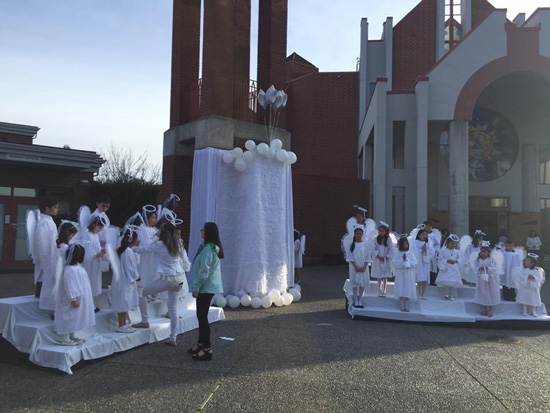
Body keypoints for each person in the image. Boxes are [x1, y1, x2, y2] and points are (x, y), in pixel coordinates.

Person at [132, 221, 187, 347]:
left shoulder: (159, 244)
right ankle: (173, 337)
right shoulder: (178, 243)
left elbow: (144, 249)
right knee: (173, 309)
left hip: (166, 279)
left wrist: (130, 248)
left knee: (141, 292)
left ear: (163, 233)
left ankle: (145, 320)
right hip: (179, 279)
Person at [188, 222, 224, 361]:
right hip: (207, 287)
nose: (201, 231)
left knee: (202, 318)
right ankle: (201, 344)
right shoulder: (208, 248)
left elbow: (204, 272)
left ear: (207, 232)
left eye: (203, 229)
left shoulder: (209, 250)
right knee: (200, 316)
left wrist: (196, 288)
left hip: (206, 287)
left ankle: (207, 349)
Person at [54, 244, 95, 346]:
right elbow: (70, 286)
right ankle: (65, 338)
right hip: (72, 298)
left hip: (79, 297)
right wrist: (73, 299)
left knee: (75, 317)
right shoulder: (69, 270)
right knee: (69, 316)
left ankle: (72, 335)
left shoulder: (77, 268)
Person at [39, 221, 78, 317]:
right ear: (67, 234)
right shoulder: (64, 247)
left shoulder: (57, 244)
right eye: (72, 236)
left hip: (54, 269)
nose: (72, 238)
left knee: (54, 290)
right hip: (60, 270)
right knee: (59, 291)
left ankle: (55, 310)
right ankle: (57, 311)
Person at [111, 227, 141, 333]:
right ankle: (121, 325)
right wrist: (136, 276)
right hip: (126, 280)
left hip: (123, 279)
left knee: (123, 302)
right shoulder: (127, 251)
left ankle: (123, 324)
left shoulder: (123, 250)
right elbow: (130, 267)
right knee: (123, 302)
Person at [33, 198, 59, 298]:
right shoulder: (44, 222)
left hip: (50, 252)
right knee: (43, 274)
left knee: (45, 275)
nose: (57, 210)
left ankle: (43, 294)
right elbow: (42, 240)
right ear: (47, 209)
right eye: (55, 208)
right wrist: (46, 255)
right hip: (46, 253)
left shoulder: (48, 220)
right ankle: (40, 294)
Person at [81, 215, 107, 308]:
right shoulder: (87, 235)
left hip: (95, 264)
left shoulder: (95, 235)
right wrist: (95, 254)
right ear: (93, 225)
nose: (100, 229)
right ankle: (87, 305)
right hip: (89, 265)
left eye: (101, 228)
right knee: (89, 283)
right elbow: (85, 251)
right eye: (99, 227)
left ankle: (92, 304)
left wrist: (101, 250)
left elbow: (96, 248)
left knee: (94, 283)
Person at [471, 241, 500, 317]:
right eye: (482, 251)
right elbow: (475, 268)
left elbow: (494, 269)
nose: (483, 253)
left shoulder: (491, 260)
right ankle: (483, 308)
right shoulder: (478, 260)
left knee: (489, 294)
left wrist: (488, 268)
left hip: (489, 280)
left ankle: (490, 309)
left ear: (488, 253)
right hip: (481, 280)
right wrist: (479, 269)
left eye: (485, 252)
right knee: (483, 293)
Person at [392, 236, 418, 312]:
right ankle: (401, 305)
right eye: (403, 244)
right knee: (401, 288)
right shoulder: (397, 254)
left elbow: (414, 263)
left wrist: (407, 260)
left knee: (408, 288)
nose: (405, 245)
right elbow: (395, 263)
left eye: (406, 243)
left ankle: (406, 305)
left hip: (408, 274)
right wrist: (402, 260)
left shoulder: (410, 254)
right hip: (400, 274)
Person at [346, 225, 369, 308]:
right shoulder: (351, 245)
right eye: (357, 233)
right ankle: (356, 300)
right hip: (354, 267)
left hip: (363, 267)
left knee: (362, 284)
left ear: (362, 234)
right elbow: (349, 256)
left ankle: (360, 300)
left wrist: (364, 266)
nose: (359, 235)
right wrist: (355, 266)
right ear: (354, 234)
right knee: (355, 284)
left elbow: (368, 257)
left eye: (360, 233)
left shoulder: (365, 245)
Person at [369, 222, 394, 297]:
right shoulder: (376, 239)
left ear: (386, 232)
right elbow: (373, 249)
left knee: (385, 275)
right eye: (380, 231)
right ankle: (379, 290)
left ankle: (384, 289)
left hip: (385, 259)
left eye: (383, 231)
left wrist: (386, 257)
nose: (381, 233)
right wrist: (377, 255)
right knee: (379, 275)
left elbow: (391, 249)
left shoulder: (389, 239)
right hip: (378, 259)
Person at [436, 234, 463, 301]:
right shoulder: (443, 250)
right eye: (451, 243)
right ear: (447, 243)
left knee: (453, 282)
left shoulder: (457, 251)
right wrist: (447, 260)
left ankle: (452, 294)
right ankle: (447, 294)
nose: (453, 245)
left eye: (454, 243)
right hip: (446, 267)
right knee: (447, 281)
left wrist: (456, 261)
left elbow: (460, 259)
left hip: (454, 268)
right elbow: (440, 258)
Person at [412, 227, 434, 300]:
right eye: (423, 234)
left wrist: (426, 252)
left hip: (425, 262)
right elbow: (413, 252)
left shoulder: (428, 242)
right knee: (419, 278)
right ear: (419, 235)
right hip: (419, 262)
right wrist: (421, 250)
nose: (424, 236)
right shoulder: (415, 242)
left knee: (425, 278)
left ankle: (423, 293)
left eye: (426, 234)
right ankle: (419, 293)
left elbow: (432, 252)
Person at [424, 221, 441, 286]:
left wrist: (433, 250)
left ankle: (432, 281)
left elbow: (437, 244)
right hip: (424, 253)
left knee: (432, 268)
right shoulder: (422, 234)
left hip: (432, 254)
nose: (428, 228)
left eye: (430, 226)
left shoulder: (434, 236)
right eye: (427, 226)